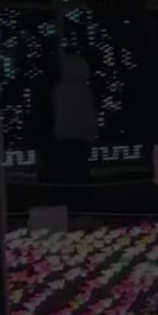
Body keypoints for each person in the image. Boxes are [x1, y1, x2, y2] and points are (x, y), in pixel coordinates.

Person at [49, 53, 98, 209]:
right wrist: (93, 133)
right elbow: (89, 117)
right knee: (80, 177)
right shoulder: (82, 90)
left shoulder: (59, 89)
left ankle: (71, 209)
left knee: (68, 177)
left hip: (64, 140)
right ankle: (81, 210)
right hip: (80, 140)